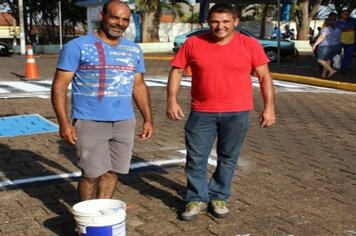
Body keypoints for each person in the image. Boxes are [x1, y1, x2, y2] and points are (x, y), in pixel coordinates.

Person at [166, 3, 275, 221]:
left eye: (226, 21)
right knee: (196, 158)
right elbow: (177, 71)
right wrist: (172, 101)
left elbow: (265, 77)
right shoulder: (193, 43)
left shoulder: (250, 44)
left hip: (237, 112)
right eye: (215, 21)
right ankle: (196, 198)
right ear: (208, 22)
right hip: (202, 111)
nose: (220, 26)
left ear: (235, 22)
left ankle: (218, 195)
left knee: (228, 157)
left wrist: (269, 108)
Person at [51, 0, 154, 201]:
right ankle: (86, 224)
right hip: (89, 121)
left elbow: (139, 85)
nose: (120, 23)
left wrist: (148, 119)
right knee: (90, 175)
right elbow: (59, 86)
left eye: (125, 19)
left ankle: (103, 213)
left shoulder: (133, 50)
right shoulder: (77, 46)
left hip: (124, 121)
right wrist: (64, 123)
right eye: (115, 17)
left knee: (113, 172)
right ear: (102, 16)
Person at [335, 9, 356, 74]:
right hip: (339, 42)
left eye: (348, 14)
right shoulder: (337, 23)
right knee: (335, 55)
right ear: (341, 15)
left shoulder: (353, 21)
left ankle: (345, 69)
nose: (347, 15)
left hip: (351, 42)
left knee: (348, 57)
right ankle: (334, 67)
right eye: (345, 14)